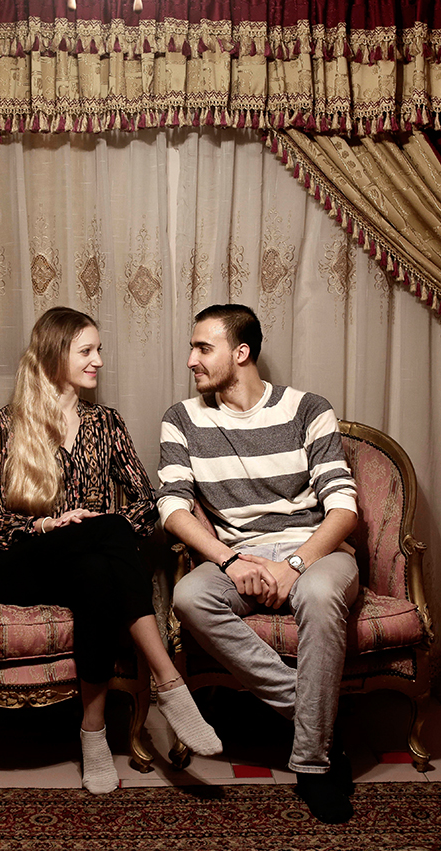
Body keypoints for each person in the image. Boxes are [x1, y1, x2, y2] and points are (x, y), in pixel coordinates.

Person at [0, 306, 222, 795]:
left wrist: (97, 526)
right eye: (86, 351)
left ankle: (93, 735)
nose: (98, 362)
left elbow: (147, 503)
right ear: (54, 356)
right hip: (14, 564)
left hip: (85, 565)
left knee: (95, 568)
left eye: (99, 350)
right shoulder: (8, 423)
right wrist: (50, 522)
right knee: (101, 534)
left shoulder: (106, 423)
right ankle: (170, 683)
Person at [157, 304, 360, 823]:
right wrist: (228, 559)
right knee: (188, 597)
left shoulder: (307, 409)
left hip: (314, 551)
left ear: (241, 353)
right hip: (238, 554)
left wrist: (296, 561)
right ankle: (317, 719)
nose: (191, 360)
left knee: (317, 594)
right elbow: (173, 509)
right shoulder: (182, 419)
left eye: (203, 348)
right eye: (193, 347)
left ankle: (312, 764)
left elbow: (343, 508)